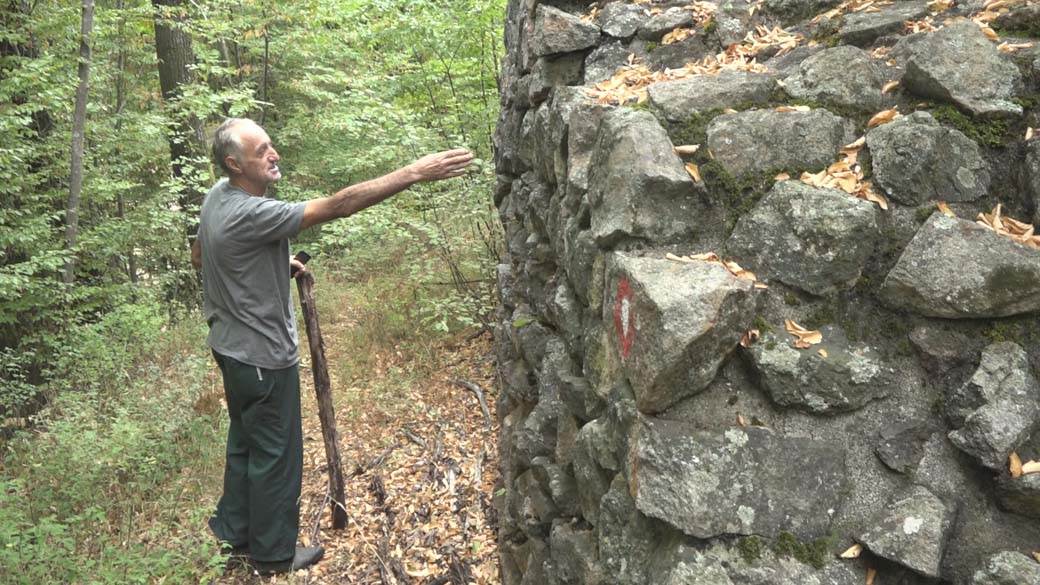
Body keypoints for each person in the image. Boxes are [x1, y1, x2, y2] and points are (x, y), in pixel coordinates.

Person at [191, 117, 473, 574]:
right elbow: (340, 205)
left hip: (229, 348)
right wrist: (415, 172)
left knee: (245, 442)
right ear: (234, 164)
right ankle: (274, 554)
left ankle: (234, 532)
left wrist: (268, 264)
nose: (274, 154)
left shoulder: (217, 198)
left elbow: (201, 254)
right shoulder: (251, 212)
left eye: (270, 145)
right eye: (261, 151)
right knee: (276, 455)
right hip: (262, 358)